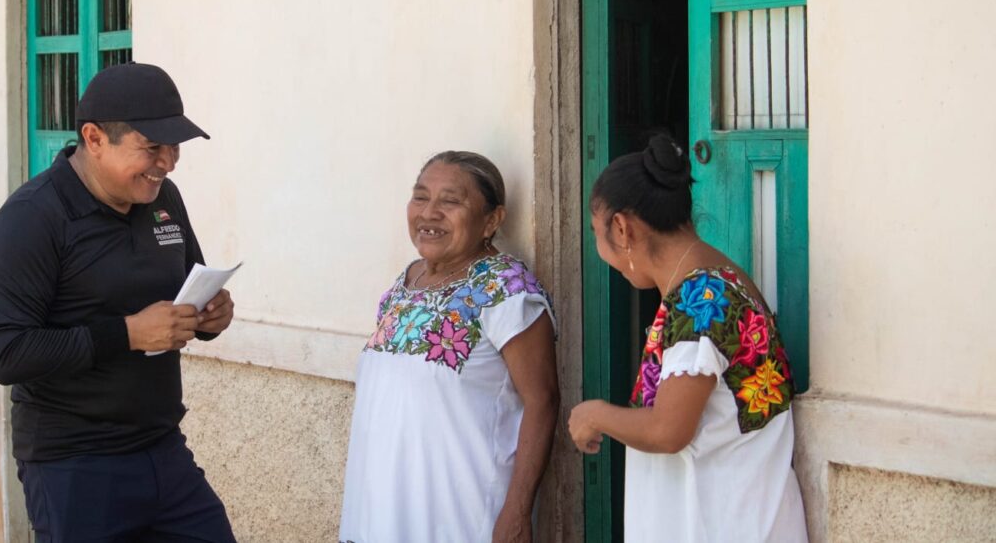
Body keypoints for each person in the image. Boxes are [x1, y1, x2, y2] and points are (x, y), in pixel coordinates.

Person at [0, 63, 237, 542]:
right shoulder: (31, 217)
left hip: (162, 447)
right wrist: (127, 334)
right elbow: (8, 353)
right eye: (152, 148)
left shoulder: (165, 199)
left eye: (174, 147)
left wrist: (210, 317)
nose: (169, 162)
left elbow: (189, 286)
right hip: (73, 466)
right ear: (95, 138)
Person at [567, 134, 807, 543]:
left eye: (596, 231)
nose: (600, 249)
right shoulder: (723, 276)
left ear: (622, 229)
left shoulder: (698, 302)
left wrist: (593, 415)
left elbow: (668, 430)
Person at [339, 151, 559, 543]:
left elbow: (542, 401)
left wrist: (518, 510)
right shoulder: (404, 284)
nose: (429, 213)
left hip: (461, 518)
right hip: (379, 514)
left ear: (492, 220)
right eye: (421, 197)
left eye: (451, 201)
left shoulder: (507, 290)